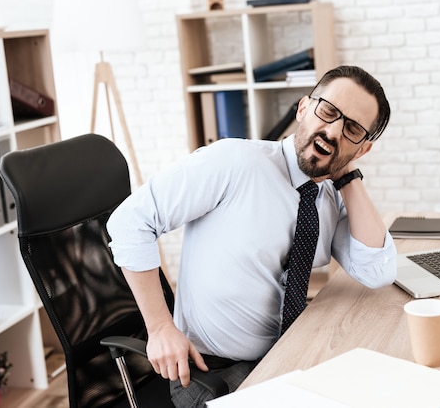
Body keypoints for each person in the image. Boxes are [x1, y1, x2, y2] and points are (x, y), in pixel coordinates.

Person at [106, 64, 398, 406]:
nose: (332, 131)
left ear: (362, 149)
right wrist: (158, 328)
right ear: (303, 108)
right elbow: (129, 221)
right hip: (212, 374)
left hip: (284, 359)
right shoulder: (234, 162)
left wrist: (348, 175)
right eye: (328, 112)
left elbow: (377, 271)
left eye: (351, 129)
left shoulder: (329, 198)